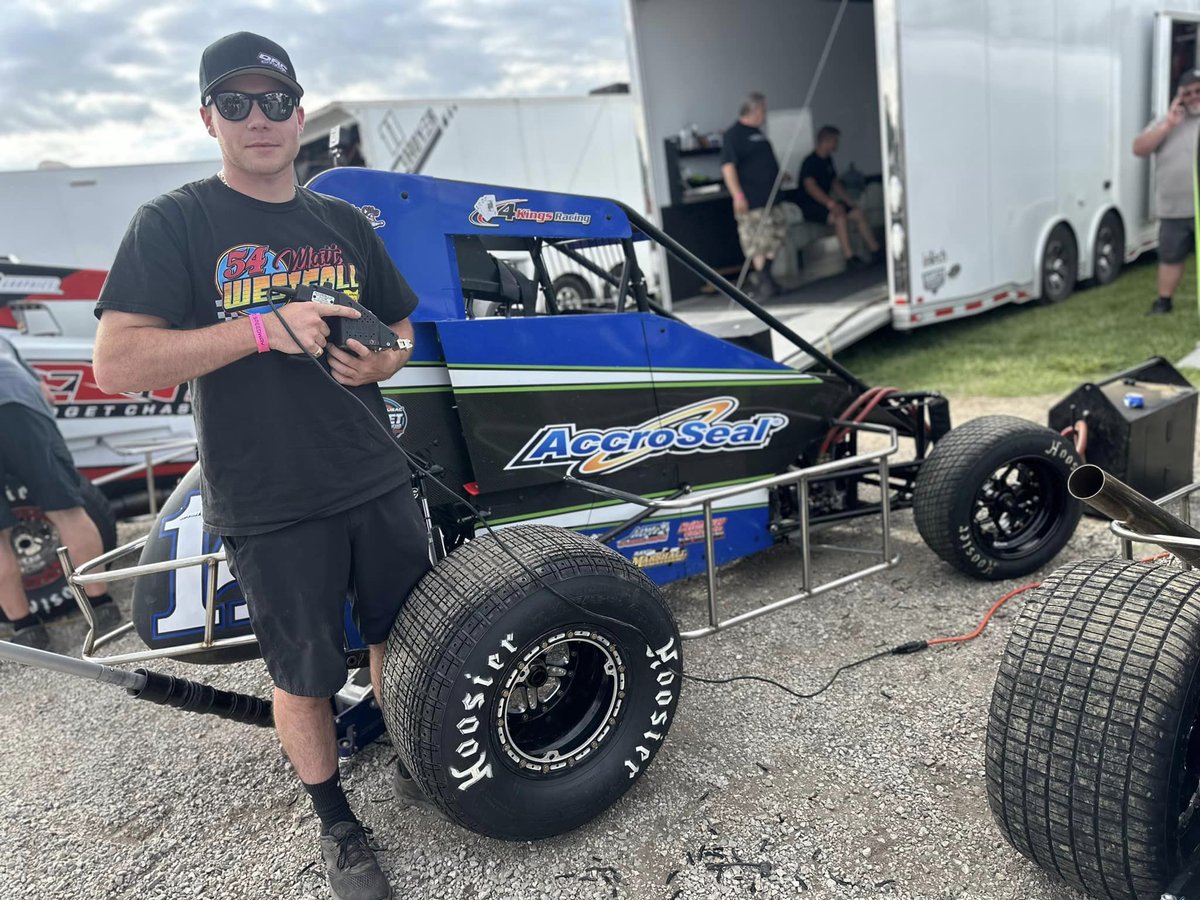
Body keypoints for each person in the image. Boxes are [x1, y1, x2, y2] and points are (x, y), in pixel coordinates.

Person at [92, 32, 429, 900]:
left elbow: (401, 327)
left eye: (274, 101)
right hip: (270, 497)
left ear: (300, 109)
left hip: (375, 471)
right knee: (303, 669)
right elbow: (117, 364)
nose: (259, 119)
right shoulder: (175, 222)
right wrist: (257, 328)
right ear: (208, 117)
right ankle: (337, 826)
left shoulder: (341, 221)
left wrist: (383, 361)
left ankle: (403, 750)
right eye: (235, 103)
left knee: (399, 631)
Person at [0, 336, 117, 648]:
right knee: (67, 511)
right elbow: (46, 393)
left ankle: (26, 629)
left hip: (14, 394)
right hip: (16, 401)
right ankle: (101, 606)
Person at [1133, 69, 1200, 315]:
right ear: (1179, 96)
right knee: (1170, 257)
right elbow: (1139, 148)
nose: (1194, 97)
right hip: (1173, 208)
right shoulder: (1166, 121)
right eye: (1188, 93)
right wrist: (1168, 125)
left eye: (1198, 91)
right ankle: (1164, 302)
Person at [721, 92, 787, 299]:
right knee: (758, 241)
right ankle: (764, 282)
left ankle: (765, 277)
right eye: (763, 110)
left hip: (771, 197)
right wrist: (738, 195)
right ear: (754, 110)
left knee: (777, 236)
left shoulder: (759, 133)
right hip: (752, 199)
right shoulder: (734, 135)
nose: (765, 114)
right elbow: (728, 167)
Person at [798, 125, 882, 268]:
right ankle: (849, 257)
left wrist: (849, 201)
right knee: (840, 214)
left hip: (827, 202)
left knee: (858, 214)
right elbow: (811, 187)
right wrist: (831, 204)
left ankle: (875, 250)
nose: (837, 144)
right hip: (812, 206)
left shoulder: (828, 159)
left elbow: (834, 183)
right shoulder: (810, 162)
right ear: (828, 141)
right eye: (835, 141)